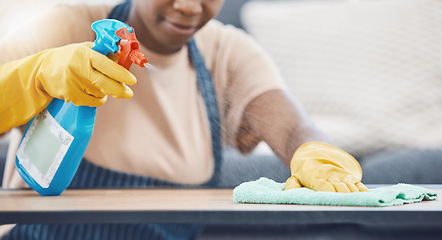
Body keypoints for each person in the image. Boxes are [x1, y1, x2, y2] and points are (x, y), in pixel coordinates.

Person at [0, 0, 367, 239]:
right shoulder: (62, 28)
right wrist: (34, 77)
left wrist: (314, 152)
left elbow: (291, 128)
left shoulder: (227, 53)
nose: (190, 6)